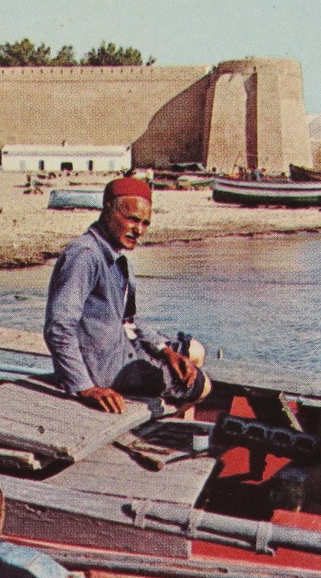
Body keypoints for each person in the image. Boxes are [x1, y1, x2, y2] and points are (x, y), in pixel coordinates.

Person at [43, 176, 210, 413]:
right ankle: (156, 423)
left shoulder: (119, 260)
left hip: (122, 348)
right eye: (131, 219)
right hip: (102, 369)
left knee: (195, 351)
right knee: (202, 386)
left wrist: (166, 351)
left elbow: (128, 320)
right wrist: (85, 387)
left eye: (144, 223)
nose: (138, 230)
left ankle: (162, 412)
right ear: (108, 209)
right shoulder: (85, 256)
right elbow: (58, 328)